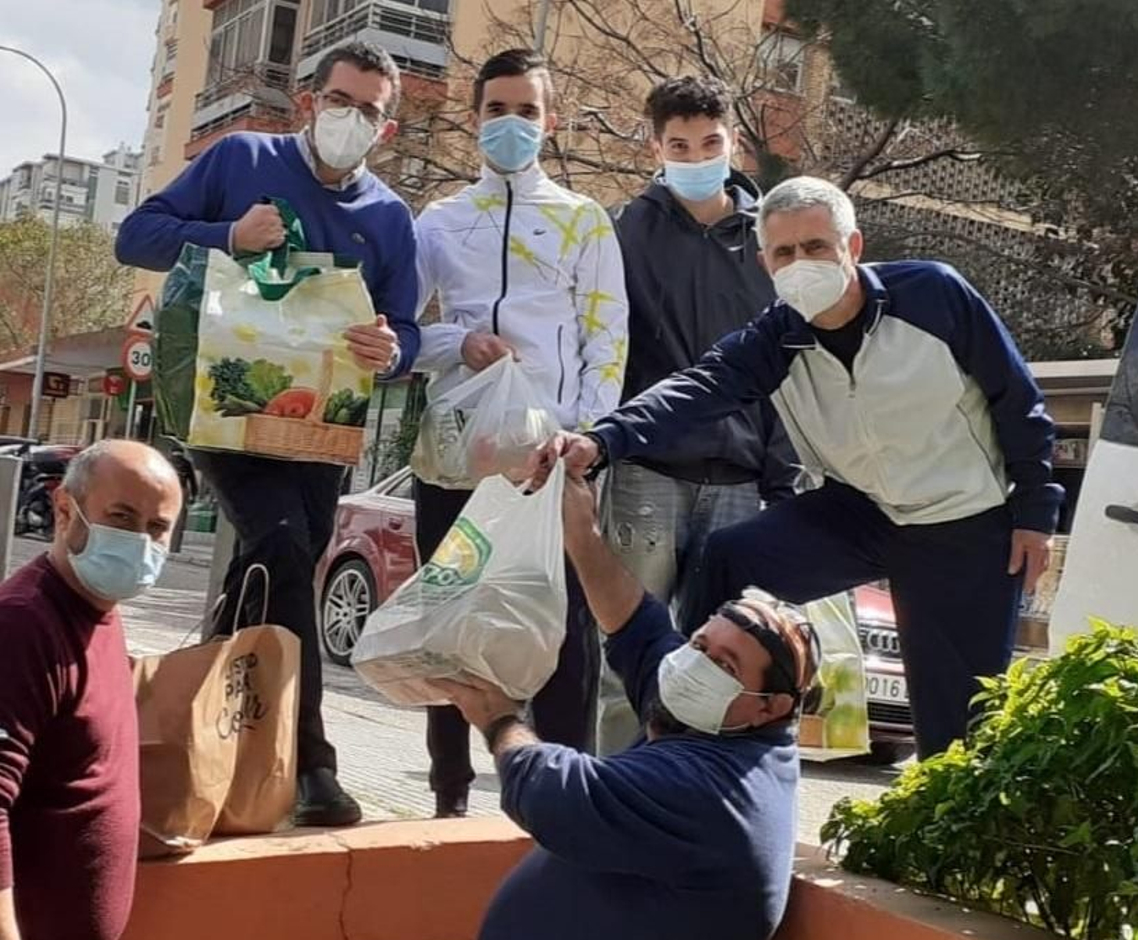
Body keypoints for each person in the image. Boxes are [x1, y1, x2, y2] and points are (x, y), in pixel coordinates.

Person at [559, 176, 1064, 760]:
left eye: (817, 247)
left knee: (959, 731)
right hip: (859, 510)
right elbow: (698, 390)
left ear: (853, 248)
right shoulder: (776, 339)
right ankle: (701, 732)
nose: (801, 262)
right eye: (785, 252)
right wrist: (601, 442)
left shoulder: (934, 296)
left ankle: (950, 842)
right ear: (765, 263)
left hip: (963, 521)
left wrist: (1035, 510)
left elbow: (1018, 400)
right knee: (732, 559)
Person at [116, 42, 422, 827]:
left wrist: (394, 352)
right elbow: (136, 236)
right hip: (224, 413)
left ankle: (179, 732)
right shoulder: (241, 157)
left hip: (321, 431)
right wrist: (228, 236)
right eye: (342, 100)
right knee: (283, 547)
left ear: (387, 129)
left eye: (371, 111)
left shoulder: (389, 216)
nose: (352, 119)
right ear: (310, 102)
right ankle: (312, 761)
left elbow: (407, 332)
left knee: (265, 572)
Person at [432, 467, 816, 940]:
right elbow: (638, 627)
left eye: (726, 666)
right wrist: (581, 535)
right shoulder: (713, 721)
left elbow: (550, 792)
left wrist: (499, 718)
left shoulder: (715, 788)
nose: (698, 666)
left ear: (771, 707)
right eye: (701, 646)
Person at [411, 48, 628, 816]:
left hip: (549, 463)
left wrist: (582, 441)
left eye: (526, 110)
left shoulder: (582, 220)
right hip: (458, 460)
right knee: (448, 624)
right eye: (496, 110)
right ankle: (447, 795)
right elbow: (405, 332)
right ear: (473, 120)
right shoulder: (439, 220)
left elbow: (609, 340)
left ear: (551, 121)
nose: (511, 124)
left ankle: (568, 797)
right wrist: (457, 343)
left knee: (561, 632)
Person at [596, 75, 798, 754]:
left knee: (728, 658)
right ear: (655, 146)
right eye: (678, 145)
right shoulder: (626, 230)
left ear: (732, 141)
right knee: (629, 644)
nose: (694, 156)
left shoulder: (771, 236)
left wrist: (782, 474)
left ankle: (702, 794)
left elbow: (790, 363)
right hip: (648, 469)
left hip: (741, 478)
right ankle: (622, 791)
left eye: (709, 142)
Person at [0, 441, 185, 940]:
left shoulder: (97, 613)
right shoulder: (24, 625)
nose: (140, 543)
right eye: (122, 518)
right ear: (64, 509)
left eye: (158, 528)